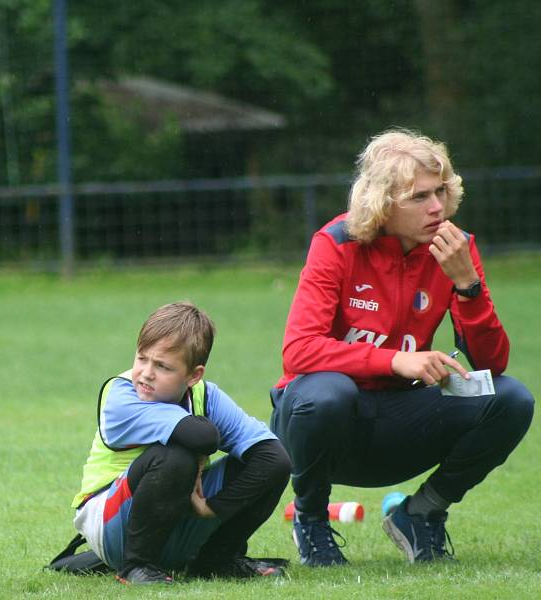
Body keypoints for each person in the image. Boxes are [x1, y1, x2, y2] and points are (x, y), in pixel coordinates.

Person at [270, 129, 534, 567]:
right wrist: (395, 359)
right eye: (419, 197)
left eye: (441, 192)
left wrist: (468, 287)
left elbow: (493, 363)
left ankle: (421, 514)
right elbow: (299, 351)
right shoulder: (336, 243)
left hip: (401, 421)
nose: (436, 207)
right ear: (382, 202)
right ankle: (311, 519)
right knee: (327, 392)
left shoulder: (456, 248)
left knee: (510, 397)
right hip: (320, 424)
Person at [70, 301, 292, 584]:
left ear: (194, 375)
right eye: (141, 358)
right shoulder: (121, 396)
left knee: (268, 465)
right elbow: (202, 436)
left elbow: (273, 458)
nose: (146, 373)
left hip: (176, 518)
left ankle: (217, 560)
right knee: (176, 457)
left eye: (162, 366)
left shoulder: (206, 395)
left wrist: (214, 507)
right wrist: (200, 453)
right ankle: (135, 566)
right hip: (108, 524)